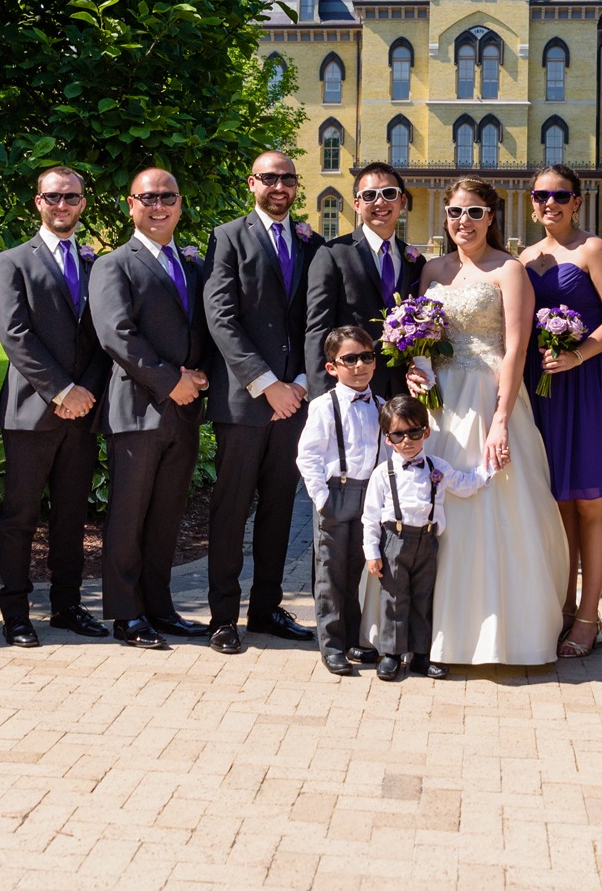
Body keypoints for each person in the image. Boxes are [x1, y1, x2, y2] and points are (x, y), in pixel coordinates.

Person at [409, 177, 568, 665]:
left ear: (491, 218)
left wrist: (500, 420)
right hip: (439, 405)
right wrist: (416, 370)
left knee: (493, 506)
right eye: (456, 212)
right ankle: (431, 631)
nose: (464, 222)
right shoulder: (432, 269)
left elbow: (516, 348)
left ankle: (501, 635)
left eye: (475, 213)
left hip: (488, 397)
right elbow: (421, 337)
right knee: (435, 510)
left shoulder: (509, 270)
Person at [201, 150, 323, 653]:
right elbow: (221, 316)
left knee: (279, 510)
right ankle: (223, 617)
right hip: (245, 401)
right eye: (269, 179)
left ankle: (267, 609)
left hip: (294, 400)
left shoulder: (311, 241)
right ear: (252, 183)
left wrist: (298, 382)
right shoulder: (227, 236)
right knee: (231, 509)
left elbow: (314, 319)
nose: (279, 187)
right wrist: (265, 382)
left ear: (297, 186)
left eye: (288, 179)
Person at [0, 165, 112, 646]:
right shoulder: (12, 260)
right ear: (37, 201)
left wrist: (87, 392)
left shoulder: (97, 262)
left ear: (83, 202)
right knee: (19, 515)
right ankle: (16, 613)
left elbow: (106, 336)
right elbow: (15, 335)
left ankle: (67, 606)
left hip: (83, 413)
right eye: (53, 197)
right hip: (31, 411)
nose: (63, 205)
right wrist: (62, 390)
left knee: (70, 516)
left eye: (72, 198)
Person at [89, 167, 211, 650]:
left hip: (184, 412)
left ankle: (159, 607)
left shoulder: (194, 264)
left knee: (165, 516)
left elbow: (202, 327)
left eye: (168, 197)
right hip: (138, 410)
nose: (158, 205)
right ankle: (125, 614)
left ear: (180, 204)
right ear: (130, 204)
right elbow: (116, 334)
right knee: (128, 515)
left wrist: (197, 376)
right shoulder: (113, 263)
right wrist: (170, 381)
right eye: (148, 197)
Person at [519, 164, 602, 659]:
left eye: (560, 195)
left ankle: (589, 615)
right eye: (542, 195)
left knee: (588, 499)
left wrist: (578, 354)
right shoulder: (524, 256)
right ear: (531, 202)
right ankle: (561, 607)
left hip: (585, 382)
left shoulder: (593, 249)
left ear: (577, 200)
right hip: (540, 386)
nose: (550, 203)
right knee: (557, 499)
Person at [362, 395, 495, 681]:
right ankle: (392, 655)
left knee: (423, 598)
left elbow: (465, 484)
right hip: (394, 542)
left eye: (414, 432)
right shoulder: (382, 474)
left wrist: (490, 469)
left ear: (426, 432)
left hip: (426, 542)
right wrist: (371, 551)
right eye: (398, 434)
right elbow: (370, 515)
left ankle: (421, 656)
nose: (407, 441)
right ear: (388, 439)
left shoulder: (439, 467)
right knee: (394, 599)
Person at [296, 325, 386, 675]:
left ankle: (351, 639)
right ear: (332, 367)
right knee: (330, 573)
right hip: (336, 493)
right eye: (350, 359)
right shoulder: (323, 406)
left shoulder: (380, 405)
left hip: (369, 497)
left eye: (367, 357)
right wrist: (321, 499)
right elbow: (309, 456)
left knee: (355, 571)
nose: (360, 365)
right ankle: (331, 645)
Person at [305, 162, 424, 402]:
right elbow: (318, 329)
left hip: (403, 391)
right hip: (351, 387)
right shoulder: (333, 254)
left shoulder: (415, 261)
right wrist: (323, 398)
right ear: (357, 205)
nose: (380, 203)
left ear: (402, 201)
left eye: (389, 194)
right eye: (370, 195)